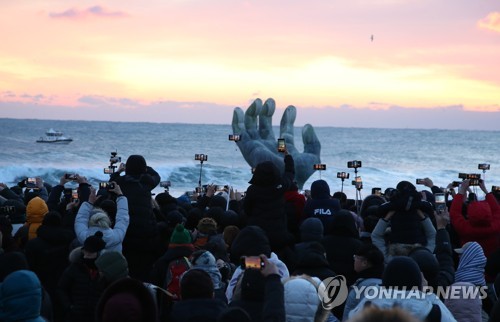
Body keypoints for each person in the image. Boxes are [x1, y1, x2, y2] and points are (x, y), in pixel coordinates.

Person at [110, 154, 161, 280]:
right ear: (143, 168)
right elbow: (157, 176)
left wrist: (118, 171)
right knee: (144, 267)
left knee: (127, 264)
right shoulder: (147, 182)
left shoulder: (120, 182)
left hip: (126, 230)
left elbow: (111, 183)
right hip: (146, 232)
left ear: (127, 168)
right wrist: (145, 168)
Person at [56, 231, 107, 322]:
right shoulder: (75, 268)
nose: (86, 256)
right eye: (85, 252)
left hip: (96, 316)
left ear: (98, 254)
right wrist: (69, 306)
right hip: (75, 316)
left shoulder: (104, 271)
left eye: (90, 253)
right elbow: (61, 288)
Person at [449, 179, 500, 258]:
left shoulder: (464, 228)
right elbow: (497, 211)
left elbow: (454, 212)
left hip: (469, 260)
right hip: (492, 262)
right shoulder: (496, 227)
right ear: (489, 214)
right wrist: (485, 190)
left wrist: (462, 190)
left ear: (468, 215)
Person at [74, 183, 129, 252]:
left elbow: (81, 218)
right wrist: (120, 195)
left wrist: (90, 202)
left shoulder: (84, 237)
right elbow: (123, 216)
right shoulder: (116, 237)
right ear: (109, 221)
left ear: (91, 221)